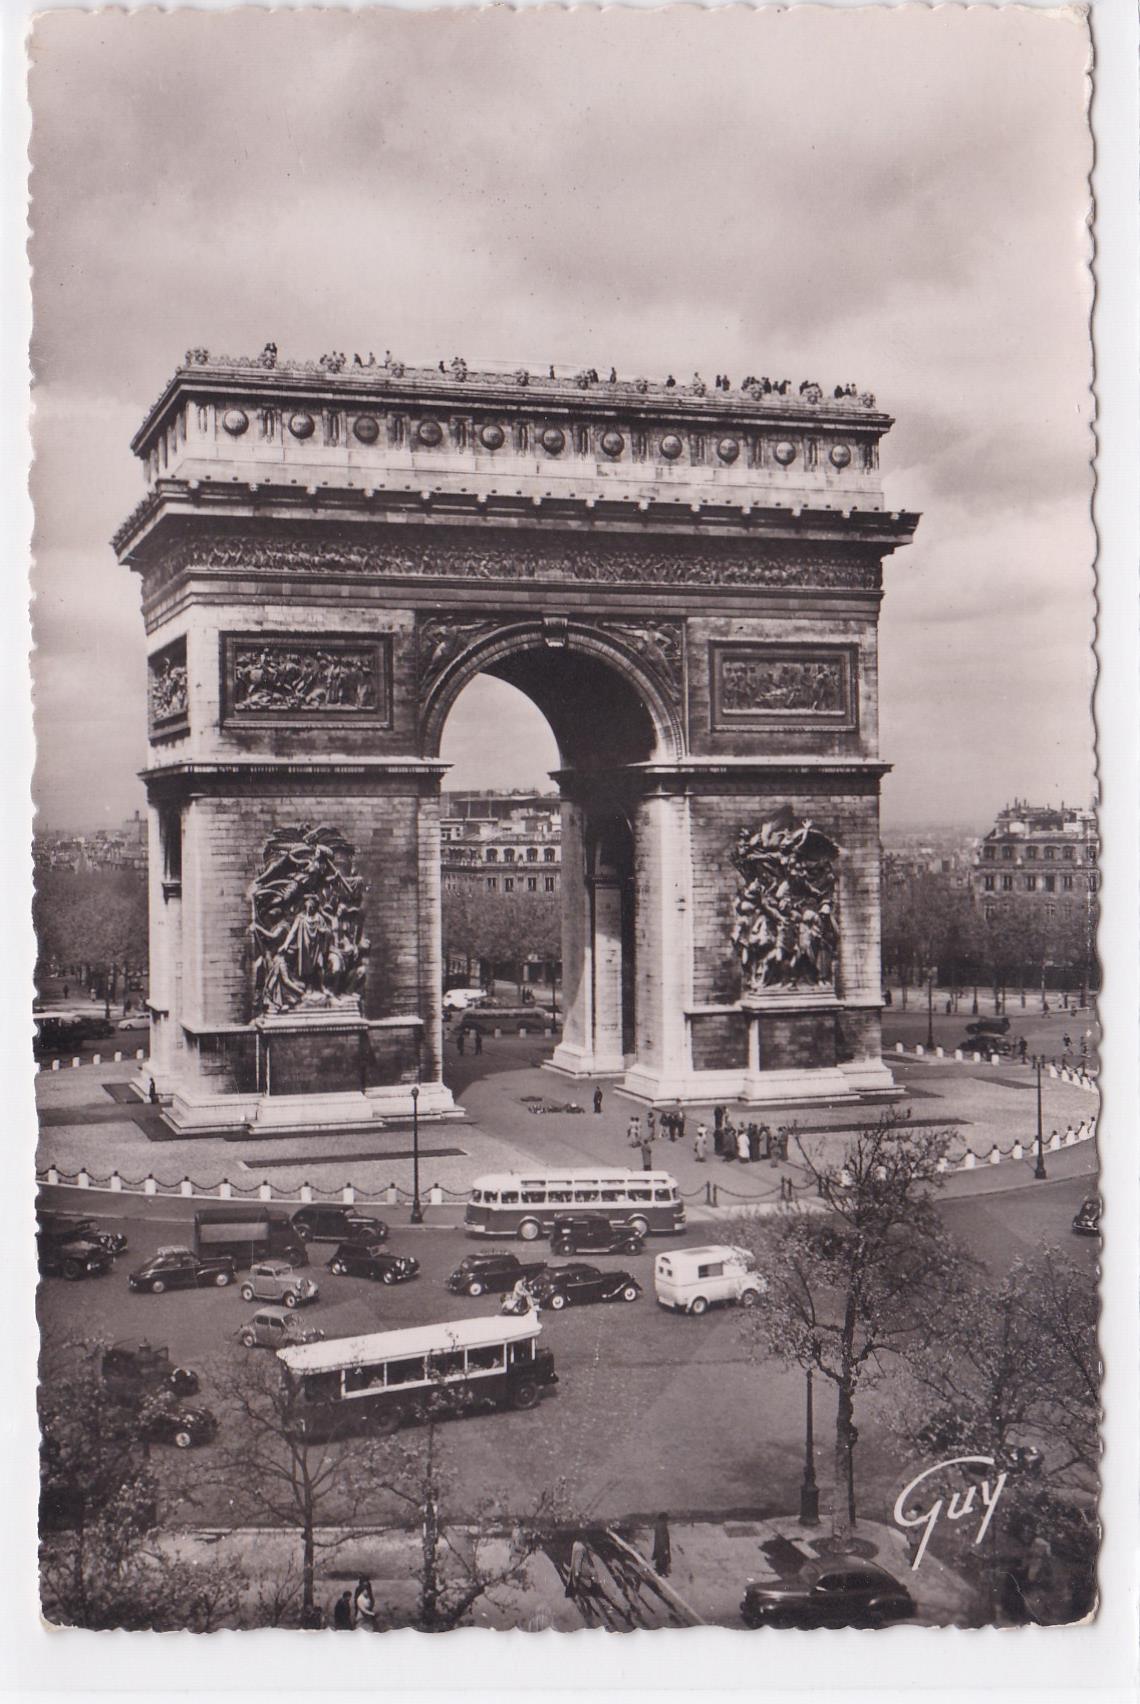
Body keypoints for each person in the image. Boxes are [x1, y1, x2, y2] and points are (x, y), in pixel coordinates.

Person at [652, 1513, 672, 1578]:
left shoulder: (658, 1525)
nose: (667, 1521)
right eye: (666, 1519)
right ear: (664, 1519)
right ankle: (661, 1573)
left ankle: (661, 1572)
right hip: (662, 1547)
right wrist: (665, 1548)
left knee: (660, 1559)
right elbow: (662, 1538)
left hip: (658, 1546)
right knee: (663, 1559)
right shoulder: (662, 1526)